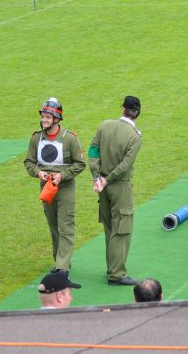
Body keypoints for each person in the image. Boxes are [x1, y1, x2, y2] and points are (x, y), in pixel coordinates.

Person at [24, 98, 86, 275]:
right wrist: (38, 173)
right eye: (43, 116)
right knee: (53, 227)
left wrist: (62, 176)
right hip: (46, 188)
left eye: (47, 117)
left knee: (65, 227)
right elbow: (29, 162)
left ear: (56, 119)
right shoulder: (36, 138)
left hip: (65, 188)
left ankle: (62, 266)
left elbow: (80, 163)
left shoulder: (70, 139)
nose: (44, 120)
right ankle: (60, 261)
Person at [89, 96, 142, 286]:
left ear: (122, 109)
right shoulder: (135, 136)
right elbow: (125, 166)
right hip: (119, 186)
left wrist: (97, 177)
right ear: (138, 113)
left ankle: (112, 269)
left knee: (110, 228)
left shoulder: (104, 126)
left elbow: (93, 151)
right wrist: (107, 179)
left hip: (102, 186)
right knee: (121, 230)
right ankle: (117, 274)